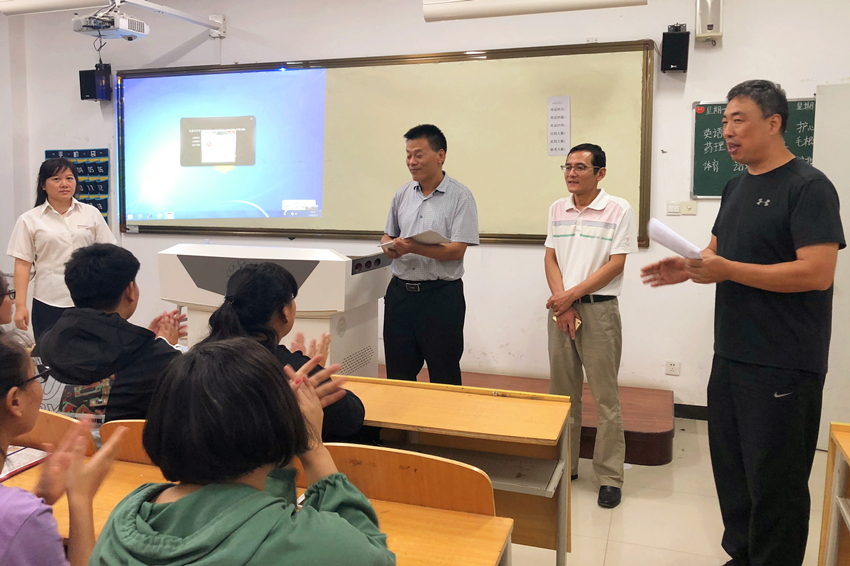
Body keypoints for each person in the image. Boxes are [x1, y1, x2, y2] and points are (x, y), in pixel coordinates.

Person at [641, 80, 845, 566]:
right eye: (724, 121)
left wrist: (728, 270)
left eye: (738, 120)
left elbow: (817, 273)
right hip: (731, 355)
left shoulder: (809, 187)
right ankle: (744, 555)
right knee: (733, 473)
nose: (727, 131)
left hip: (784, 363)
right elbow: (717, 251)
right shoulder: (737, 185)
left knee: (777, 483)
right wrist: (689, 265)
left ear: (774, 123)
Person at [89, 337, 395, 566]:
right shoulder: (308, 543)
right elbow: (374, 555)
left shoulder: (126, 518)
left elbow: (249, 505)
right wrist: (312, 446)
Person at [544, 143, 637, 509]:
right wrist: (563, 301)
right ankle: (566, 466)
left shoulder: (619, 209)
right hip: (561, 309)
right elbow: (550, 257)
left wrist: (571, 296)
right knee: (562, 396)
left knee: (605, 398)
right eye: (567, 167)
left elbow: (616, 264)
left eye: (580, 167)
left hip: (599, 311)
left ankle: (610, 477)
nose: (571, 173)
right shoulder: (557, 208)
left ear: (600, 173)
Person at [201, 261, 365, 442]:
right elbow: (351, 418)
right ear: (285, 312)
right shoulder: (291, 370)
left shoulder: (198, 357)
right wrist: (313, 371)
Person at [0, 335, 126, 566]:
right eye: (37, 377)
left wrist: (40, 499)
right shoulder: (16, 516)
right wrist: (80, 498)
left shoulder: (16, 514)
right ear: (15, 401)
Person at [37, 243, 184, 422]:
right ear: (130, 290)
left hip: (50, 438)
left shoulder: (45, 342)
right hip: (119, 441)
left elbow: (101, 352)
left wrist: (144, 338)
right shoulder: (158, 360)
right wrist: (167, 347)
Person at [380, 124, 479, 386]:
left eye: (418, 155)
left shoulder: (460, 196)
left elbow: (457, 250)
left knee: (444, 374)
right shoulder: (402, 194)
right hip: (400, 295)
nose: (411, 162)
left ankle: (443, 416)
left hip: (440, 298)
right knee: (398, 374)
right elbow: (388, 235)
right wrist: (389, 246)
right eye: (408, 155)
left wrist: (413, 247)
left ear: (440, 155)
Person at [7, 158, 116, 342]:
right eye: (56, 179)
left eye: (69, 178)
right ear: (43, 185)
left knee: (90, 352)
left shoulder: (91, 213)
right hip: (49, 300)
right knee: (50, 353)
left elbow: (108, 255)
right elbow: (22, 265)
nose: (64, 184)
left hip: (90, 299)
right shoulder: (29, 219)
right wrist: (20, 306)